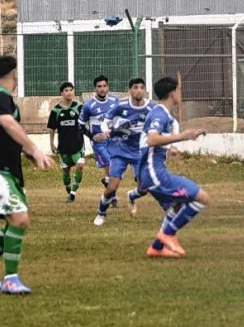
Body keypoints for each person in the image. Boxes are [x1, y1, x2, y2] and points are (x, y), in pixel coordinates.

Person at [0, 55, 54, 295]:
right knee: (19, 219)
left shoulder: (1, 98)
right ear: (15, 76)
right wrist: (34, 148)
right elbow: (9, 124)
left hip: (9, 170)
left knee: (15, 221)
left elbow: (6, 133)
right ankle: (10, 279)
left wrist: (24, 152)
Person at [137, 76, 207, 258]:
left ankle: (157, 247)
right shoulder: (159, 113)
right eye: (179, 90)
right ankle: (167, 234)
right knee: (202, 198)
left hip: (151, 172)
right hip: (154, 173)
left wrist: (187, 135)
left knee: (176, 206)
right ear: (172, 93)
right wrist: (183, 136)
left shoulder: (164, 114)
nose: (180, 93)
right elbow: (153, 139)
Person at [94, 78, 153, 226]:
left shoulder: (152, 107)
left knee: (144, 188)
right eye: (135, 87)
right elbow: (105, 122)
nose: (138, 90)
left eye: (141, 87)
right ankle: (101, 213)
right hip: (120, 150)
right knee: (112, 188)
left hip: (140, 153)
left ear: (144, 90)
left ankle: (132, 195)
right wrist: (105, 130)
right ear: (130, 90)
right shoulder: (120, 106)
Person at [79, 75, 120, 204]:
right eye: (99, 87)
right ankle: (112, 196)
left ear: (108, 87)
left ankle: (108, 184)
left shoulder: (114, 101)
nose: (102, 89)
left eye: (104, 86)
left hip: (113, 140)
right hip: (99, 142)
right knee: (109, 165)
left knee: (113, 170)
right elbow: (80, 125)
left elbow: (119, 119)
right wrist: (92, 136)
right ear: (95, 89)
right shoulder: (88, 105)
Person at [47, 82, 84, 202]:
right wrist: (51, 143)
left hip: (78, 145)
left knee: (80, 165)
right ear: (61, 93)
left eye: (71, 90)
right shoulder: (56, 110)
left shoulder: (79, 107)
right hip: (63, 146)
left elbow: (86, 122)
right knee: (66, 172)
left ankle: (73, 192)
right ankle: (69, 193)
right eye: (66, 90)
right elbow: (51, 128)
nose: (69, 92)